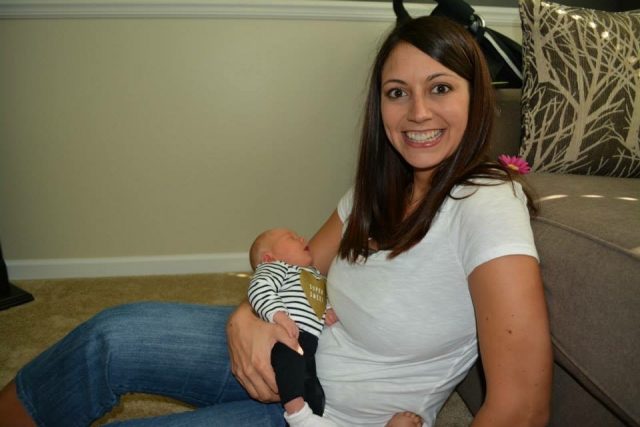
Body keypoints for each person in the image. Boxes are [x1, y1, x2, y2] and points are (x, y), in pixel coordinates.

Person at [0, 15, 551, 427]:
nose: (418, 112)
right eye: (396, 93)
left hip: (333, 416)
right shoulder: (375, 189)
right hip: (291, 348)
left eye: (440, 88)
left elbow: (523, 406)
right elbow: (299, 269)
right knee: (110, 336)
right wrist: (247, 316)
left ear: (477, 98)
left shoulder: (486, 203)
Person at [247, 228, 335, 427]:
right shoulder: (277, 267)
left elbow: (319, 297)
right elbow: (259, 288)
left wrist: (328, 309)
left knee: (310, 384)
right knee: (289, 364)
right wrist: (279, 316)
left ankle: (311, 417)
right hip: (287, 334)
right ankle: (296, 413)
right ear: (269, 257)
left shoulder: (314, 275)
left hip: (311, 340)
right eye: (291, 238)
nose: (301, 238)